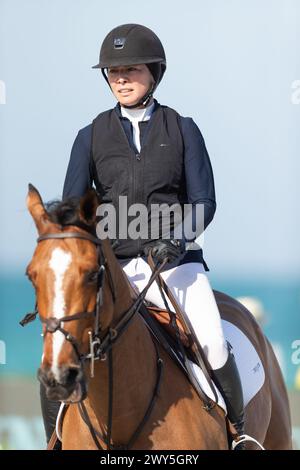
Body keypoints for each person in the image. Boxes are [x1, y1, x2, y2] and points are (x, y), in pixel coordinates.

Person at [40, 23, 245, 447]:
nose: (120, 79)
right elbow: (73, 209)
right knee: (61, 344)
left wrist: (178, 239)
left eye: (130, 70)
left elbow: (204, 201)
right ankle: (54, 440)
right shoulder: (90, 136)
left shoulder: (183, 129)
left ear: (154, 73)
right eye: (113, 72)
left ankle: (238, 434)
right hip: (114, 268)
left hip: (174, 265)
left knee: (212, 343)